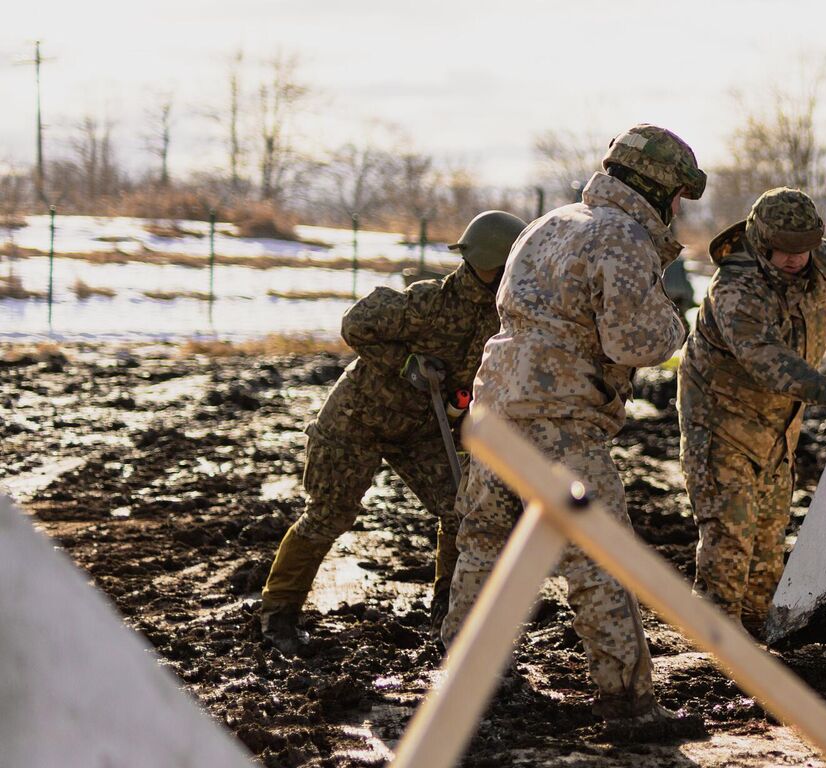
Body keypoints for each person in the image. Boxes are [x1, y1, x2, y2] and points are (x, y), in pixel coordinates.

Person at [439, 124, 700, 732]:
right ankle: (628, 705)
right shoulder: (623, 238)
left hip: (494, 406)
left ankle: (463, 677)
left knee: (483, 545)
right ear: (663, 190)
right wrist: (676, 324)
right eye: (679, 197)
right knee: (598, 557)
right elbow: (634, 341)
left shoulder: (547, 224)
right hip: (560, 421)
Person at [258, 210, 525, 653]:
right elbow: (355, 323)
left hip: (422, 433)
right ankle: (278, 616)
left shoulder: (503, 319)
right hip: (357, 420)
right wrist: (407, 365)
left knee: (460, 511)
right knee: (329, 513)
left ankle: (448, 611)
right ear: (489, 264)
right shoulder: (428, 303)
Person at [680, 187, 826, 633]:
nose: (796, 259)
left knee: (768, 546)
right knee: (729, 542)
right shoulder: (735, 287)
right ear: (760, 241)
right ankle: (712, 647)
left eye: (804, 248)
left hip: (779, 429)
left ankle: (757, 642)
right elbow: (764, 359)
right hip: (720, 426)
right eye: (784, 250)